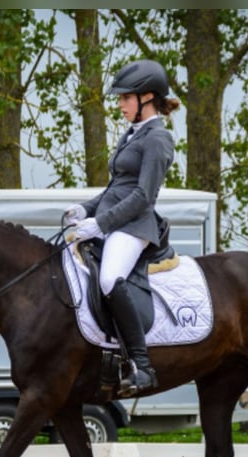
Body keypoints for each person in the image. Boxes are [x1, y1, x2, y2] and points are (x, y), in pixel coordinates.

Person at [64, 59, 181, 397]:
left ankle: (142, 366)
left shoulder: (158, 139)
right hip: (113, 220)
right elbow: (117, 187)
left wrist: (99, 223)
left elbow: (144, 196)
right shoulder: (132, 135)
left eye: (125, 98)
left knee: (109, 278)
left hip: (134, 227)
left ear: (147, 97)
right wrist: (85, 208)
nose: (120, 105)